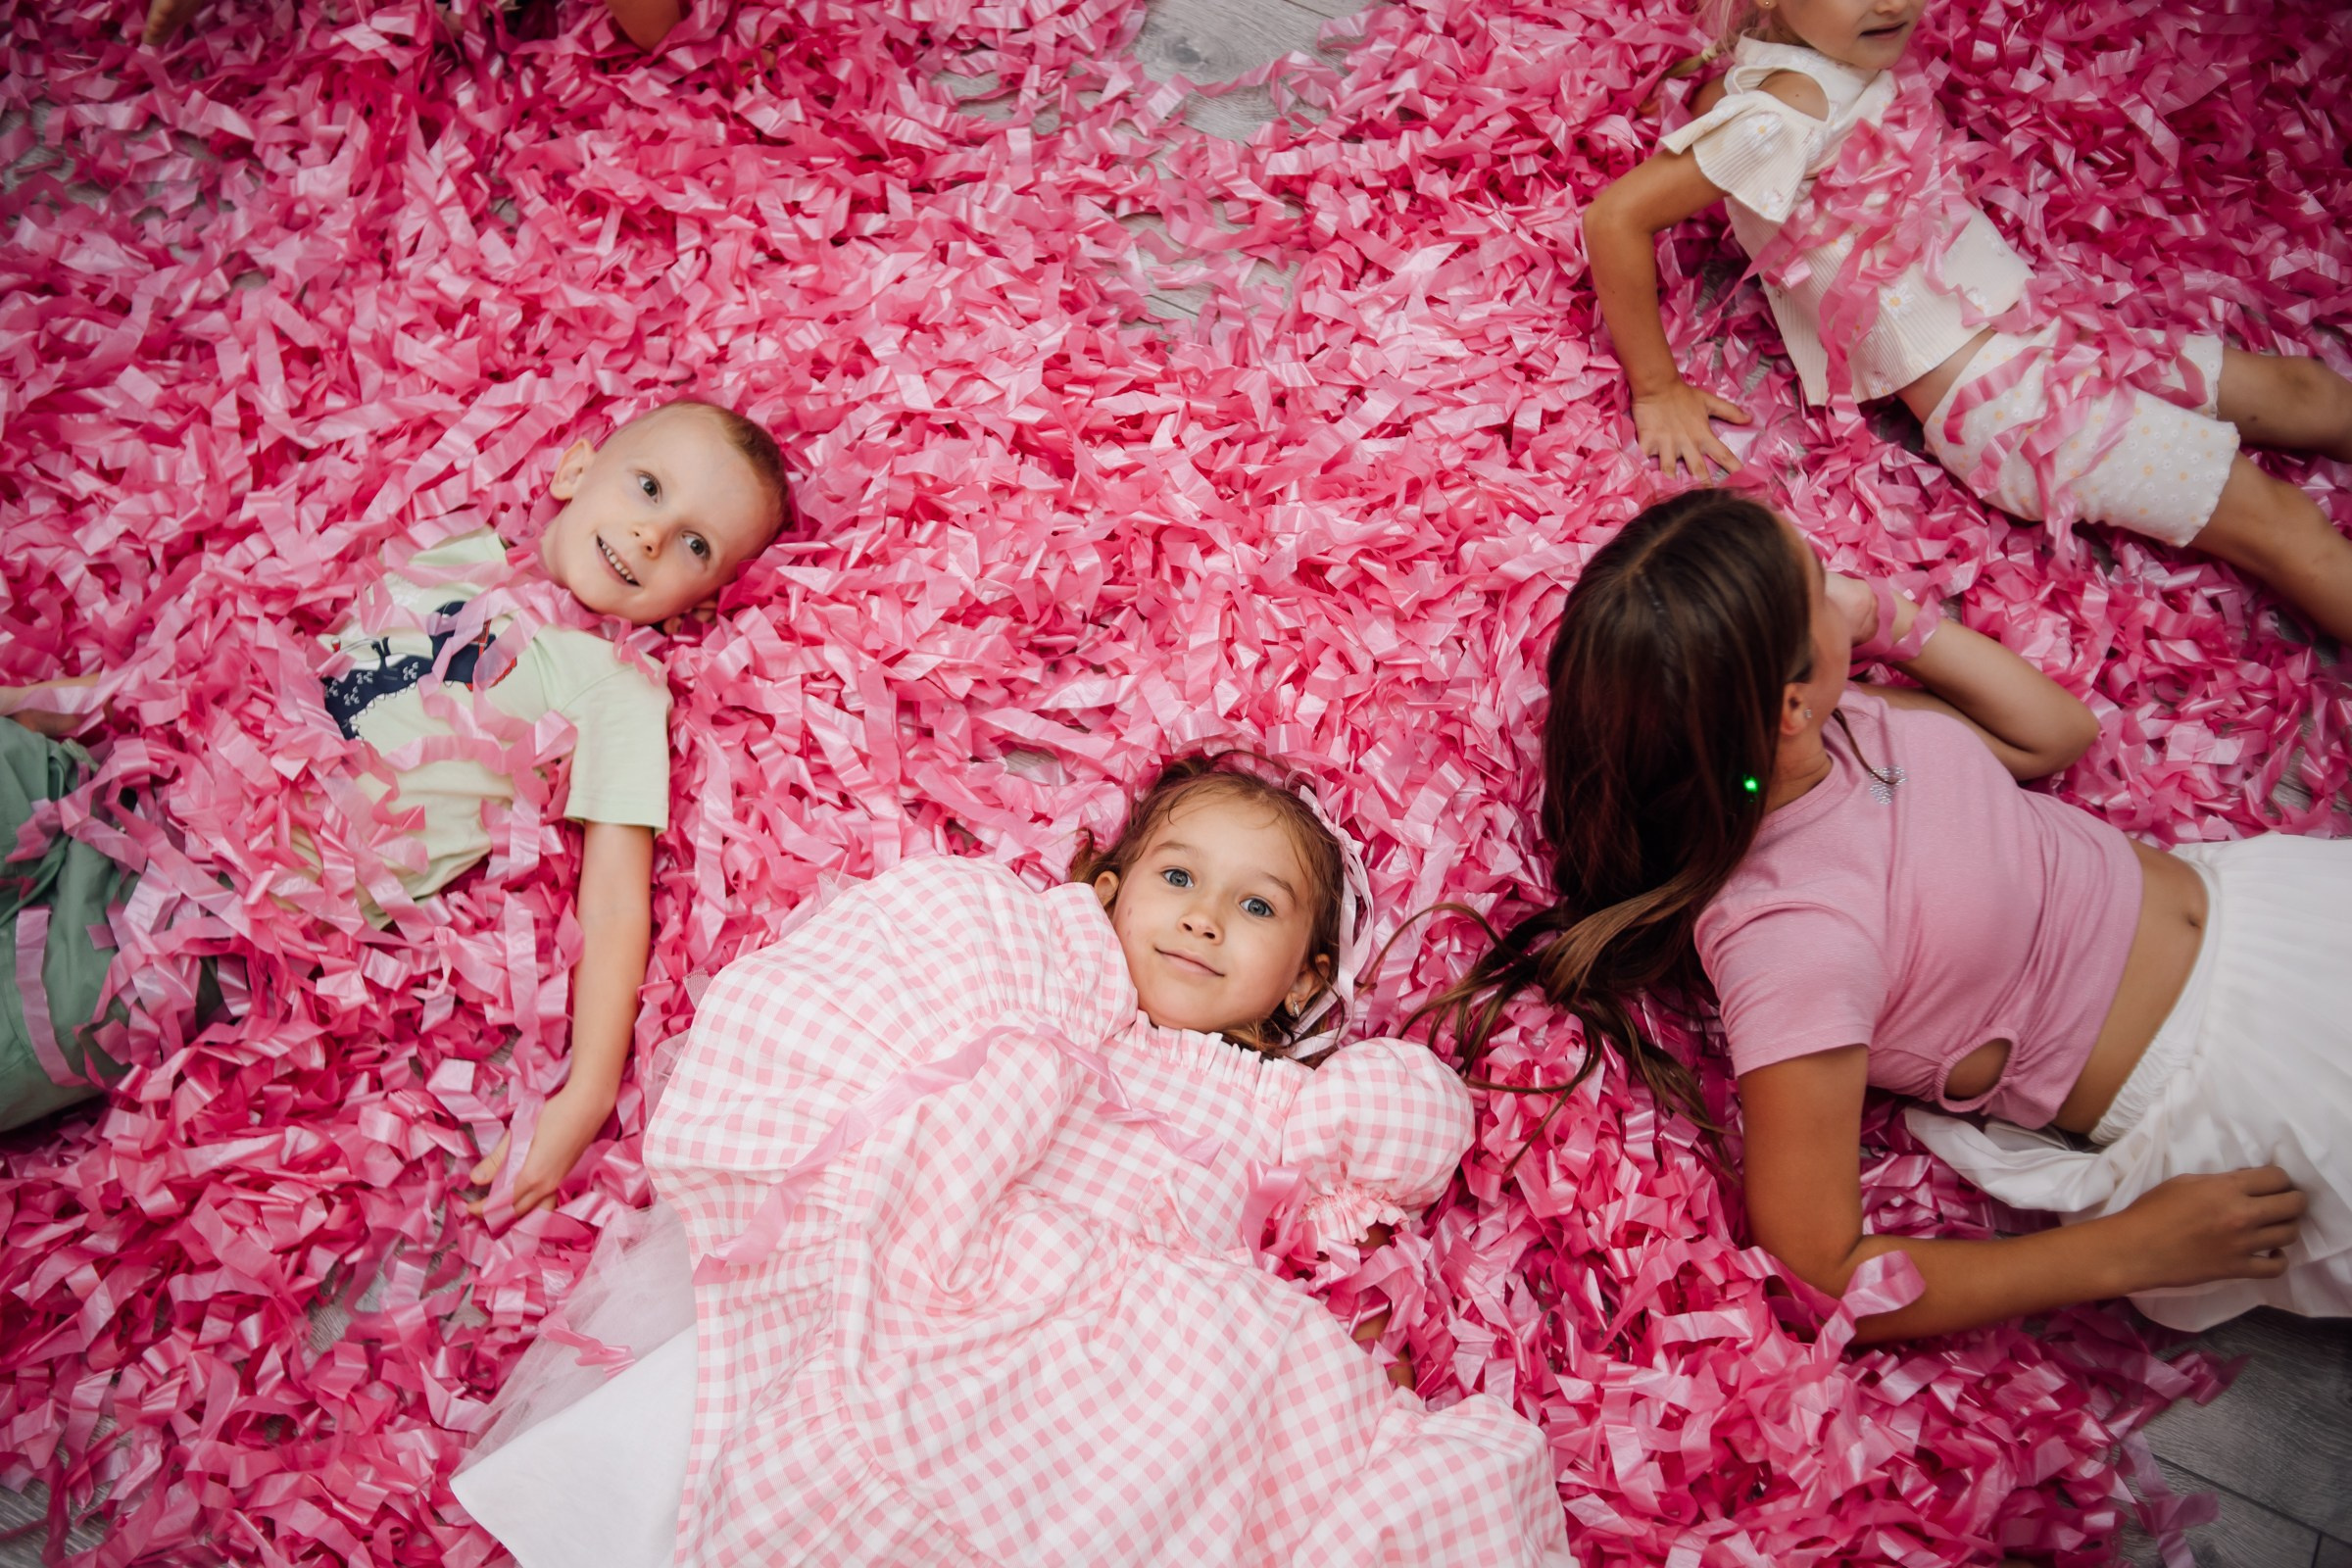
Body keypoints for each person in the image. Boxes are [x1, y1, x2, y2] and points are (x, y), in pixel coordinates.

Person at [452, 754, 1574, 1567]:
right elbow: (959, 1070)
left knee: (1201, 1470)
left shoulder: (1275, 1102)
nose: (1203, 922)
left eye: (1255, 906)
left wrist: (1382, 1102)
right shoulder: (1064, 995)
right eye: (1176, 880)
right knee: (829, 1406)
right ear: (1109, 893)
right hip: (980, 1273)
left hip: (1159, 1370)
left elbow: (1411, 1130)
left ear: (1298, 976)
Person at [1431, 489, 2344, 1341]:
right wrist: (2128, 1251)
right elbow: (1816, 1271)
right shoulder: (1791, 933)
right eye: (1820, 584)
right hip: (2227, 1072)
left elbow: (2055, 734)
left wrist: (1884, 622)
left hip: (2263, 906)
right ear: (1785, 705)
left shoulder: (1833, 729)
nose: (1845, 582)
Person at [0, 397, 789, 1222]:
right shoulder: (449, 548)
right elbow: (277, 676)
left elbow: (618, 899)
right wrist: (68, 705)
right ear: (575, 469)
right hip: (113, 788)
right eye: (649, 487)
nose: (651, 537)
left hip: (187, 939)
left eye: (696, 544)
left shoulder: (614, 690)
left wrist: (586, 1094)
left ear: (704, 601)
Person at [1581, 0, 2352, 642]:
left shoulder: (1811, 57)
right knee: (2281, 523)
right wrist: (1656, 388)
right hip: (2013, 408)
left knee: (2302, 391)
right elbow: (1615, 217)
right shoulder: (1776, 116)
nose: (1889, 2)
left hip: (2053, 332)